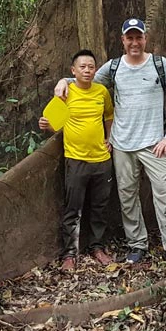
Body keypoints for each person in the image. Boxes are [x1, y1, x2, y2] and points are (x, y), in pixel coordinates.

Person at [54, 18, 166, 266]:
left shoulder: (160, 65)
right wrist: (65, 80)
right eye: (130, 37)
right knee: (127, 197)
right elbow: (87, 79)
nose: (135, 42)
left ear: (145, 39)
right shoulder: (114, 67)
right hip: (122, 145)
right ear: (123, 40)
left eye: (139, 37)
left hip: (154, 144)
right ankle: (137, 244)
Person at [40, 50, 115, 271]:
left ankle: (97, 247)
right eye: (82, 66)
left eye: (91, 66)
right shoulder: (66, 92)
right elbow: (55, 124)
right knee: (73, 208)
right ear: (73, 70)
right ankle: (69, 254)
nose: (87, 70)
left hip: (102, 160)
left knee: (100, 207)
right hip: (76, 159)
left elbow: (109, 115)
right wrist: (47, 126)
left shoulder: (102, 92)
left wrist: (109, 138)